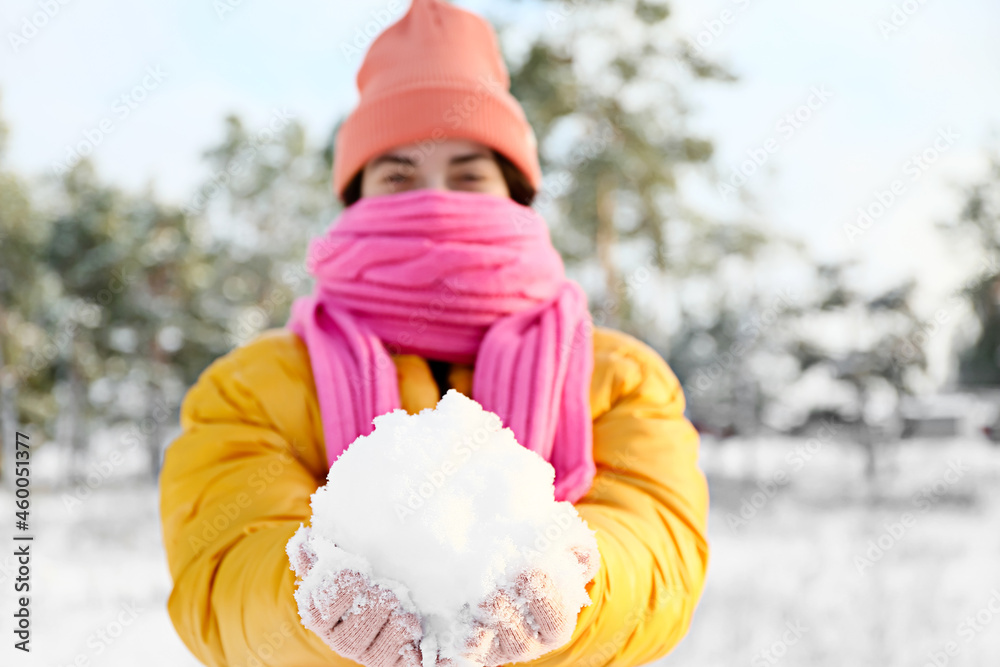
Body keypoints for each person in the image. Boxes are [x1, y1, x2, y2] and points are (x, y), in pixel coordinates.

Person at [158, 1, 710, 666]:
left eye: (469, 175)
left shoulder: (616, 376)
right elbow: (220, 576)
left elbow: (663, 557)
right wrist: (307, 602)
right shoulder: (254, 385)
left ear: (516, 195)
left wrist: (584, 583)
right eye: (398, 177)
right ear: (355, 201)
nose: (436, 199)